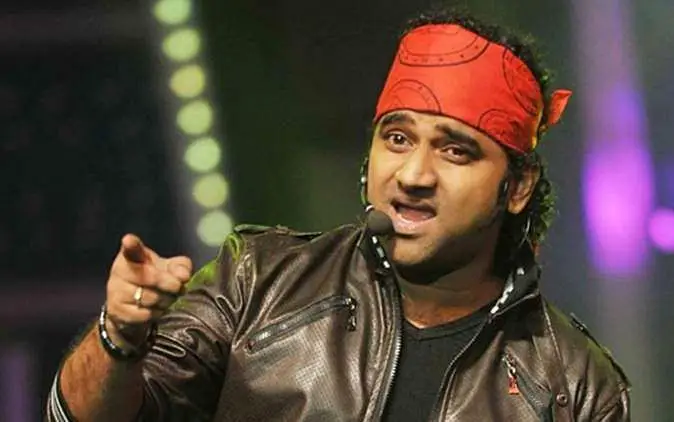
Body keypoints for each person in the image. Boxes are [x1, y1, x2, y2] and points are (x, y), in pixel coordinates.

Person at [45, 9, 630, 422]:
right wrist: (120, 337)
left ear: (518, 186)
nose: (413, 174)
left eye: (455, 150)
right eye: (397, 138)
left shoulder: (574, 385)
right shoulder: (258, 280)